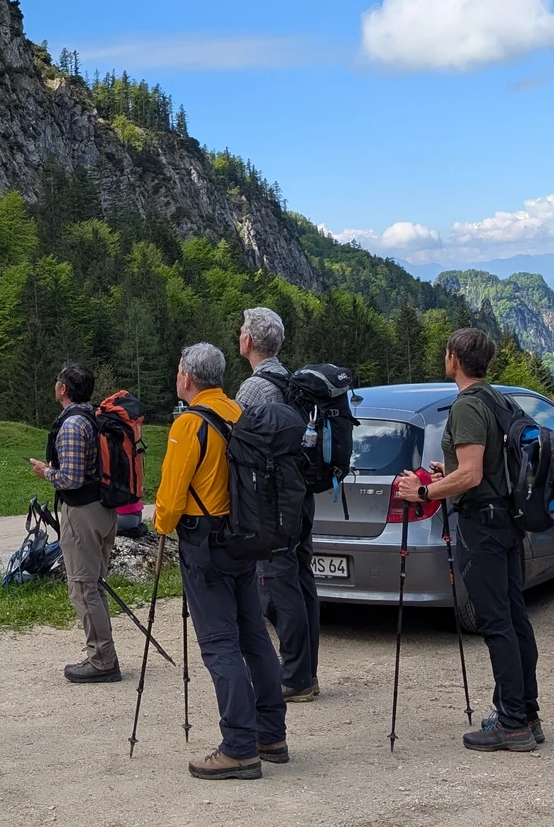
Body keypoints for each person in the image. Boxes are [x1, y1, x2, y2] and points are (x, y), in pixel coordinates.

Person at [394, 328, 541, 752]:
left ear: (454, 358)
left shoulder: (467, 407)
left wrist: (422, 492)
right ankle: (527, 713)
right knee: (514, 617)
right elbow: (482, 466)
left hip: (484, 526)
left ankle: (512, 722)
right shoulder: (499, 399)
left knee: (496, 621)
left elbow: (473, 474)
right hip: (507, 521)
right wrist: (450, 472)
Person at [156, 342, 288, 780]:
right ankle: (271, 733)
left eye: (178, 370)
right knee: (253, 635)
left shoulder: (189, 424)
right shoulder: (238, 413)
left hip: (204, 543)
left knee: (219, 643)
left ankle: (238, 746)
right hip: (242, 541)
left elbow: (171, 500)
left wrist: (160, 525)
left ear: (187, 378)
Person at [234, 306, 319, 703]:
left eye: (241, 331)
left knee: (277, 583)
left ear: (249, 340)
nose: (238, 335)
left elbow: (233, 443)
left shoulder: (254, 388)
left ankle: (294, 677)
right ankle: (304, 672)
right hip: (300, 495)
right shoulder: (291, 380)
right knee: (301, 579)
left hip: (272, 503)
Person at [28, 360, 121, 683]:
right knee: (94, 584)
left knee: (83, 587)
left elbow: (71, 478)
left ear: (64, 389)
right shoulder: (94, 417)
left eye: (57, 381)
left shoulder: (71, 425)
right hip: (104, 509)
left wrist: (45, 472)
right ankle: (102, 652)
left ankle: (102, 660)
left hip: (83, 513)